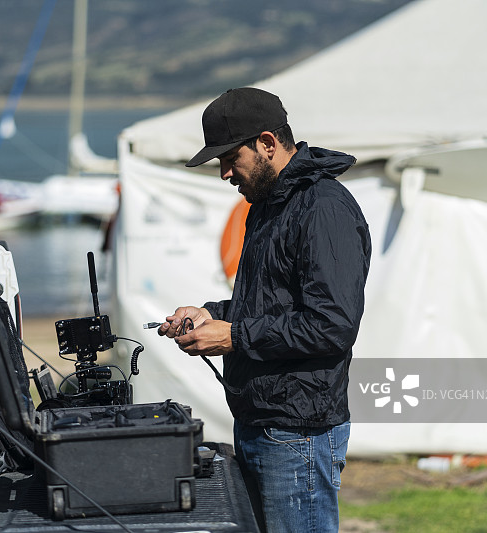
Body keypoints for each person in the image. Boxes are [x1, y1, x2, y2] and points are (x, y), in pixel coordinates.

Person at [158, 87, 371, 533]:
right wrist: (209, 315)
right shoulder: (267, 206)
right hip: (260, 423)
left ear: (268, 143)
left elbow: (331, 325)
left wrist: (232, 336)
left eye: (229, 158)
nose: (224, 173)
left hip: (298, 434)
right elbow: (265, 305)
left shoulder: (324, 209)